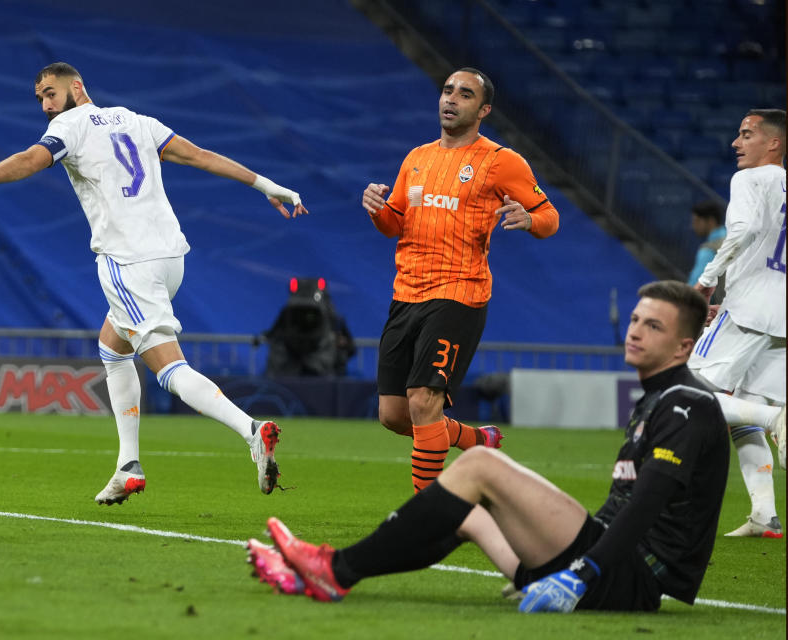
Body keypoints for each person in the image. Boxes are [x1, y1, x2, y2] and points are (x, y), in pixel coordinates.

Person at [0, 62, 309, 503]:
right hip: (171, 257)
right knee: (112, 347)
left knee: (169, 369)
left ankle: (251, 430)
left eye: (50, 93)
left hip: (128, 261)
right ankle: (127, 465)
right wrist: (267, 185)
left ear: (76, 87)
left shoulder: (70, 125)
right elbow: (199, 155)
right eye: (39, 97)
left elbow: (31, 160)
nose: (45, 104)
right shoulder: (137, 121)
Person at [248, 281, 729, 613]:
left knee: (481, 464)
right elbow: (622, 502)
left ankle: (333, 569)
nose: (636, 331)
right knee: (466, 513)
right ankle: (312, 578)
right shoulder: (660, 397)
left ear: (685, 347)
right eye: (636, 319)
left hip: (629, 578)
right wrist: (547, 564)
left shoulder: (687, 404)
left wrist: (580, 573)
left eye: (655, 327)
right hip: (604, 563)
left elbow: (646, 506)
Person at [361, 67, 560, 492]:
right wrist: (378, 208)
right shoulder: (417, 158)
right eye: (447, 90)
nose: (451, 99)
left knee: (423, 400)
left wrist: (529, 219)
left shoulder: (501, 161)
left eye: (465, 94)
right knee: (394, 415)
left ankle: (427, 513)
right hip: (406, 293)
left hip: (459, 293)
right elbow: (394, 223)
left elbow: (550, 217)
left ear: (483, 109)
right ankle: (474, 439)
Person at [689, 108, 787, 538]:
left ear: (774, 144)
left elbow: (742, 228)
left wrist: (706, 282)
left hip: (748, 308)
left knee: (687, 390)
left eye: (746, 134)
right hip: (782, 317)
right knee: (741, 411)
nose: (736, 142)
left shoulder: (751, 179)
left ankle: (778, 419)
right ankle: (765, 514)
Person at [687, 200, 726, 290]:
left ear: (711, 221)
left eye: (697, 221)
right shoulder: (735, 239)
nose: (693, 226)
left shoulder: (709, 250)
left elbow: (696, 286)